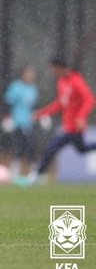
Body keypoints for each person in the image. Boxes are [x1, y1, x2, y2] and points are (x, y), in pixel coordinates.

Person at [28, 56, 96, 185]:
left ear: (59, 68)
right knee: (82, 149)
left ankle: (36, 176)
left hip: (74, 127)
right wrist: (42, 113)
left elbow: (90, 99)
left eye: (53, 69)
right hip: (69, 126)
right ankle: (37, 175)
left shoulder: (76, 80)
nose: (52, 72)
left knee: (51, 148)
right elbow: (60, 104)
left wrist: (81, 116)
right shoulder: (61, 82)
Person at [4, 65, 38, 179]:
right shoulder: (15, 87)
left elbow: (35, 106)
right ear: (23, 74)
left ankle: (33, 171)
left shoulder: (33, 88)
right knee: (23, 145)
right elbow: (7, 103)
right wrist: (7, 118)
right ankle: (17, 171)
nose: (31, 76)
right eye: (29, 73)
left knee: (28, 146)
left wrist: (42, 116)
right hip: (18, 121)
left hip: (30, 122)